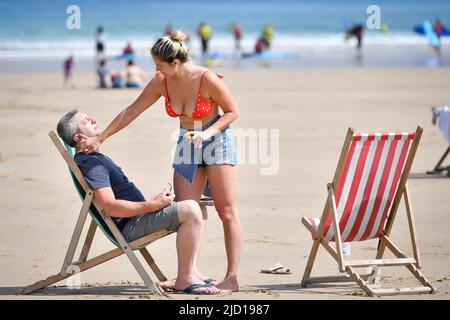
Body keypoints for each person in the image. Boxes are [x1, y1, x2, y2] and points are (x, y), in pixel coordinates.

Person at [81, 30, 242, 292]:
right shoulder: (161, 82)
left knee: (226, 211)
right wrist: (101, 139)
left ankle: (231, 278)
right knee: (187, 208)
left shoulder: (206, 78)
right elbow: (132, 110)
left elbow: (233, 111)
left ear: (175, 63)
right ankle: (188, 275)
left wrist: (207, 134)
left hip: (216, 140)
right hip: (186, 142)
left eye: (159, 65)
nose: (156, 70)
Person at [56, 109, 221, 295]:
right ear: (78, 137)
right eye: (86, 120)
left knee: (195, 204)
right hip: (130, 226)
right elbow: (110, 206)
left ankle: (190, 271)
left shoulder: (94, 158)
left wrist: (156, 200)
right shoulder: (91, 163)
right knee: (190, 209)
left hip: (136, 217)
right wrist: (153, 205)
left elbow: (119, 200)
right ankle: (185, 278)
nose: (93, 118)